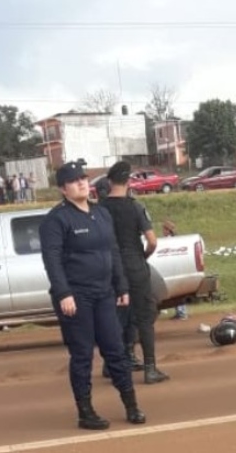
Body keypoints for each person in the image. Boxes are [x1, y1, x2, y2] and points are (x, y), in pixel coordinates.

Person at [39, 161, 146, 430]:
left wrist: (121, 286)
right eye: (74, 181)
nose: (81, 183)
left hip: (104, 294)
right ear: (63, 189)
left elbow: (113, 251)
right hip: (76, 297)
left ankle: (131, 405)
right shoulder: (56, 220)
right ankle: (85, 412)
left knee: (116, 350)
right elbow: (52, 260)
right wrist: (64, 293)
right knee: (82, 355)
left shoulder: (101, 213)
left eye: (84, 179)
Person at [100, 161, 170, 385]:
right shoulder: (135, 207)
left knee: (115, 317)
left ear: (109, 181)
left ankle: (111, 364)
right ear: (128, 181)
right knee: (144, 316)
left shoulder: (99, 209)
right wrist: (142, 257)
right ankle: (150, 368)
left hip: (110, 268)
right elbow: (152, 241)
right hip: (134, 266)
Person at [163, 220, 189, 320]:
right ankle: (180, 311)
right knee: (178, 291)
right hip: (177, 268)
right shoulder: (175, 239)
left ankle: (181, 312)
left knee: (177, 292)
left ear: (167, 230)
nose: (163, 231)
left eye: (164, 229)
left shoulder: (168, 240)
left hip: (173, 269)